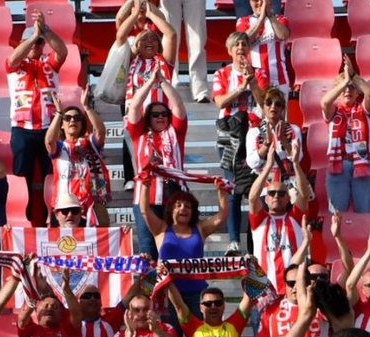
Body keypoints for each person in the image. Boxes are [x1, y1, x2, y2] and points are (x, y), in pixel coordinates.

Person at [6, 11, 66, 226]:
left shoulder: (50, 62)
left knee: (55, 176)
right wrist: (33, 37)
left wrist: (46, 31)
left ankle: (57, 218)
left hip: (50, 128)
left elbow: (63, 51)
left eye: (40, 43)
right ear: (23, 42)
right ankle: (24, 217)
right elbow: (13, 58)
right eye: (32, 42)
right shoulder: (14, 65)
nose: (36, 46)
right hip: (22, 128)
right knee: (23, 177)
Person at [126, 71, 189, 261]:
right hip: (146, 199)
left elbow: (178, 104)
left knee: (175, 250)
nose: (160, 117)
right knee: (148, 251)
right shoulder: (139, 133)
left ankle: (177, 290)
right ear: (148, 118)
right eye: (155, 114)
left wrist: (163, 82)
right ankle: (151, 291)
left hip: (175, 198)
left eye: (164, 114)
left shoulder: (176, 131)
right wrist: (150, 83)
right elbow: (135, 106)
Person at [212, 30, 265, 247]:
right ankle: (234, 241)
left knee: (255, 189)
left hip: (254, 133)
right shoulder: (221, 74)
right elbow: (220, 102)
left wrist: (251, 82)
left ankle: (255, 242)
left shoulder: (260, 73)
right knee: (233, 188)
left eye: (244, 44)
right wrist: (240, 88)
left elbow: (264, 100)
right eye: (237, 45)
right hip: (229, 134)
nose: (241, 48)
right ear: (230, 50)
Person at [146, 191, 231, 308]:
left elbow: (223, 215)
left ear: (193, 211)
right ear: (171, 210)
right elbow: (144, 210)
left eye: (187, 206)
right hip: (168, 293)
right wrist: (145, 185)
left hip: (197, 293)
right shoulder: (161, 229)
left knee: (198, 327)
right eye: (178, 205)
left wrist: (221, 192)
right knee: (169, 327)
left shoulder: (200, 228)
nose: (183, 208)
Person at [248, 150, 312, 296]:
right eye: (272, 193)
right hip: (265, 291)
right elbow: (252, 198)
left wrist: (295, 164)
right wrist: (268, 166)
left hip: (294, 290)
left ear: (289, 198)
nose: (276, 196)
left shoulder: (295, 217)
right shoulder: (260, 220)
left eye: (281, 193)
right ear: (266, 198)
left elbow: (304, 195)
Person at [321, 60, 370, 215]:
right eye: (344, 88)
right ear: (338, 91)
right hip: (339, 164)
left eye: (352, 87)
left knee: (364, 213)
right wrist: (345, 82)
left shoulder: (363, 110)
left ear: (358, 92)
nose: (348, 90)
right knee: (337, 216)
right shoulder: (334, 111)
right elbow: (325, 102)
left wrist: (353, 76)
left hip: (364, 164)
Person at [45, 94, 111, 226]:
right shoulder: (59, 147)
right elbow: (49, 141)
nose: (72, 121)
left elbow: (101, 132)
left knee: (96, 244)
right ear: (62, 125)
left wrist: (86, 107)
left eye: (77, 118)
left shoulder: (90, 144)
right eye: (67, 118)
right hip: (65, 208)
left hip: (90, 205)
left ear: (82, 123)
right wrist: (59, 113)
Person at [244, 87, 302, 191]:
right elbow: (251, 163)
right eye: (269, 103)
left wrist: (284, 142)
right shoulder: (254, 132)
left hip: (289, 185)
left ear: (283, 108)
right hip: (264, 186)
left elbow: (299, 158)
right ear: (263, 106)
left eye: (278, 104)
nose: (273, 107)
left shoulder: (293, 129)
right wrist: (265, 146)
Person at [236, 0, 292, 95]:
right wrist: (261, 18)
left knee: (279, 109)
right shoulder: (243, 21)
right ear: (250, 2)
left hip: (279, 79)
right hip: (254, 80)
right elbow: (244, 40)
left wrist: (270, 16)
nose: (260, 3)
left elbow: (283, 35)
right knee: (256, 110)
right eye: (255, 0)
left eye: (264, 0)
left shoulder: (280, 19)